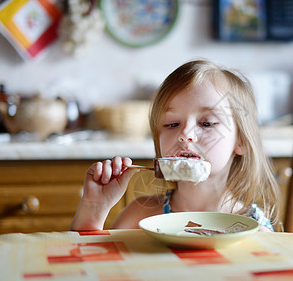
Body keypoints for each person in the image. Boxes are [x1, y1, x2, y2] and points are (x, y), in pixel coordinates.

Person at [70, 60, 280, 232]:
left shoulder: (253, 230)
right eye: (172, 124)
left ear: (241, 140)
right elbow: (94, 270)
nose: (184, 135)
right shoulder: (140, 216)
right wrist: (94, 209)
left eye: (206, 123)